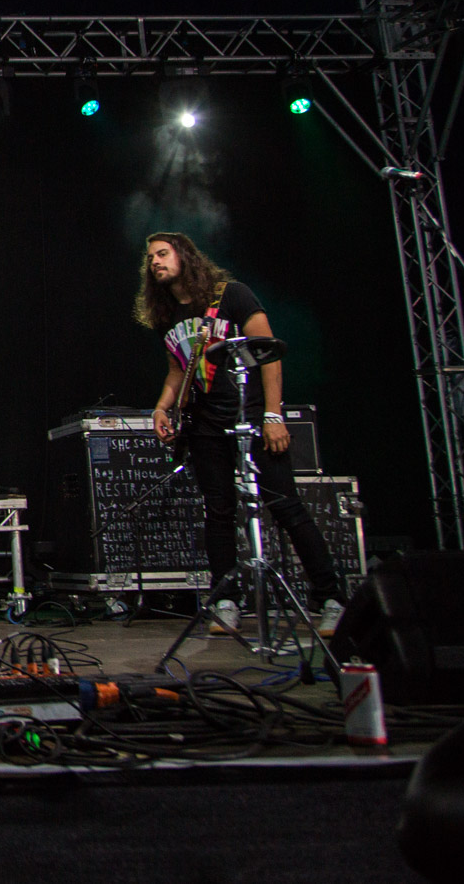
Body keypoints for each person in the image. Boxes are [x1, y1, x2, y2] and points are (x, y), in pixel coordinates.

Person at [135, 232, 343, 636]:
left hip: (250, 417)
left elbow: (269, 354)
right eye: (150, 258)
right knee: (218, 512)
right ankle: (226, 600)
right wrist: (162, 407)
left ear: (185, 256)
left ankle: (331, 598)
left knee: (286, 506)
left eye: (162, 254)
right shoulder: (166, 316)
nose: (155, 262)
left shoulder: (231, 295)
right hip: (205, 426)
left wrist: (273, 415)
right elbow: (178, 369)